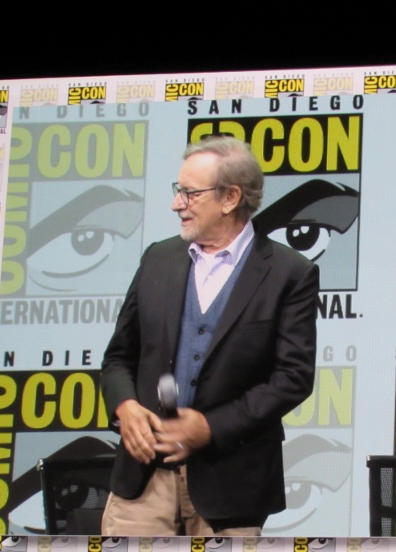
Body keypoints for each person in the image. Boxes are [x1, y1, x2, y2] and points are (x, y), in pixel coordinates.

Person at [100, 136, 319, 535]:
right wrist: (125, 407)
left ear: (230, 198)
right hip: (143, 480)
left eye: (189, 193)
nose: (176, 203)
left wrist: (211, 427)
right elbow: (118, 357)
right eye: (178, 190)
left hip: (230, 485)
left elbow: (293, 379)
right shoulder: (158, 258)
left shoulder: (290, 273)